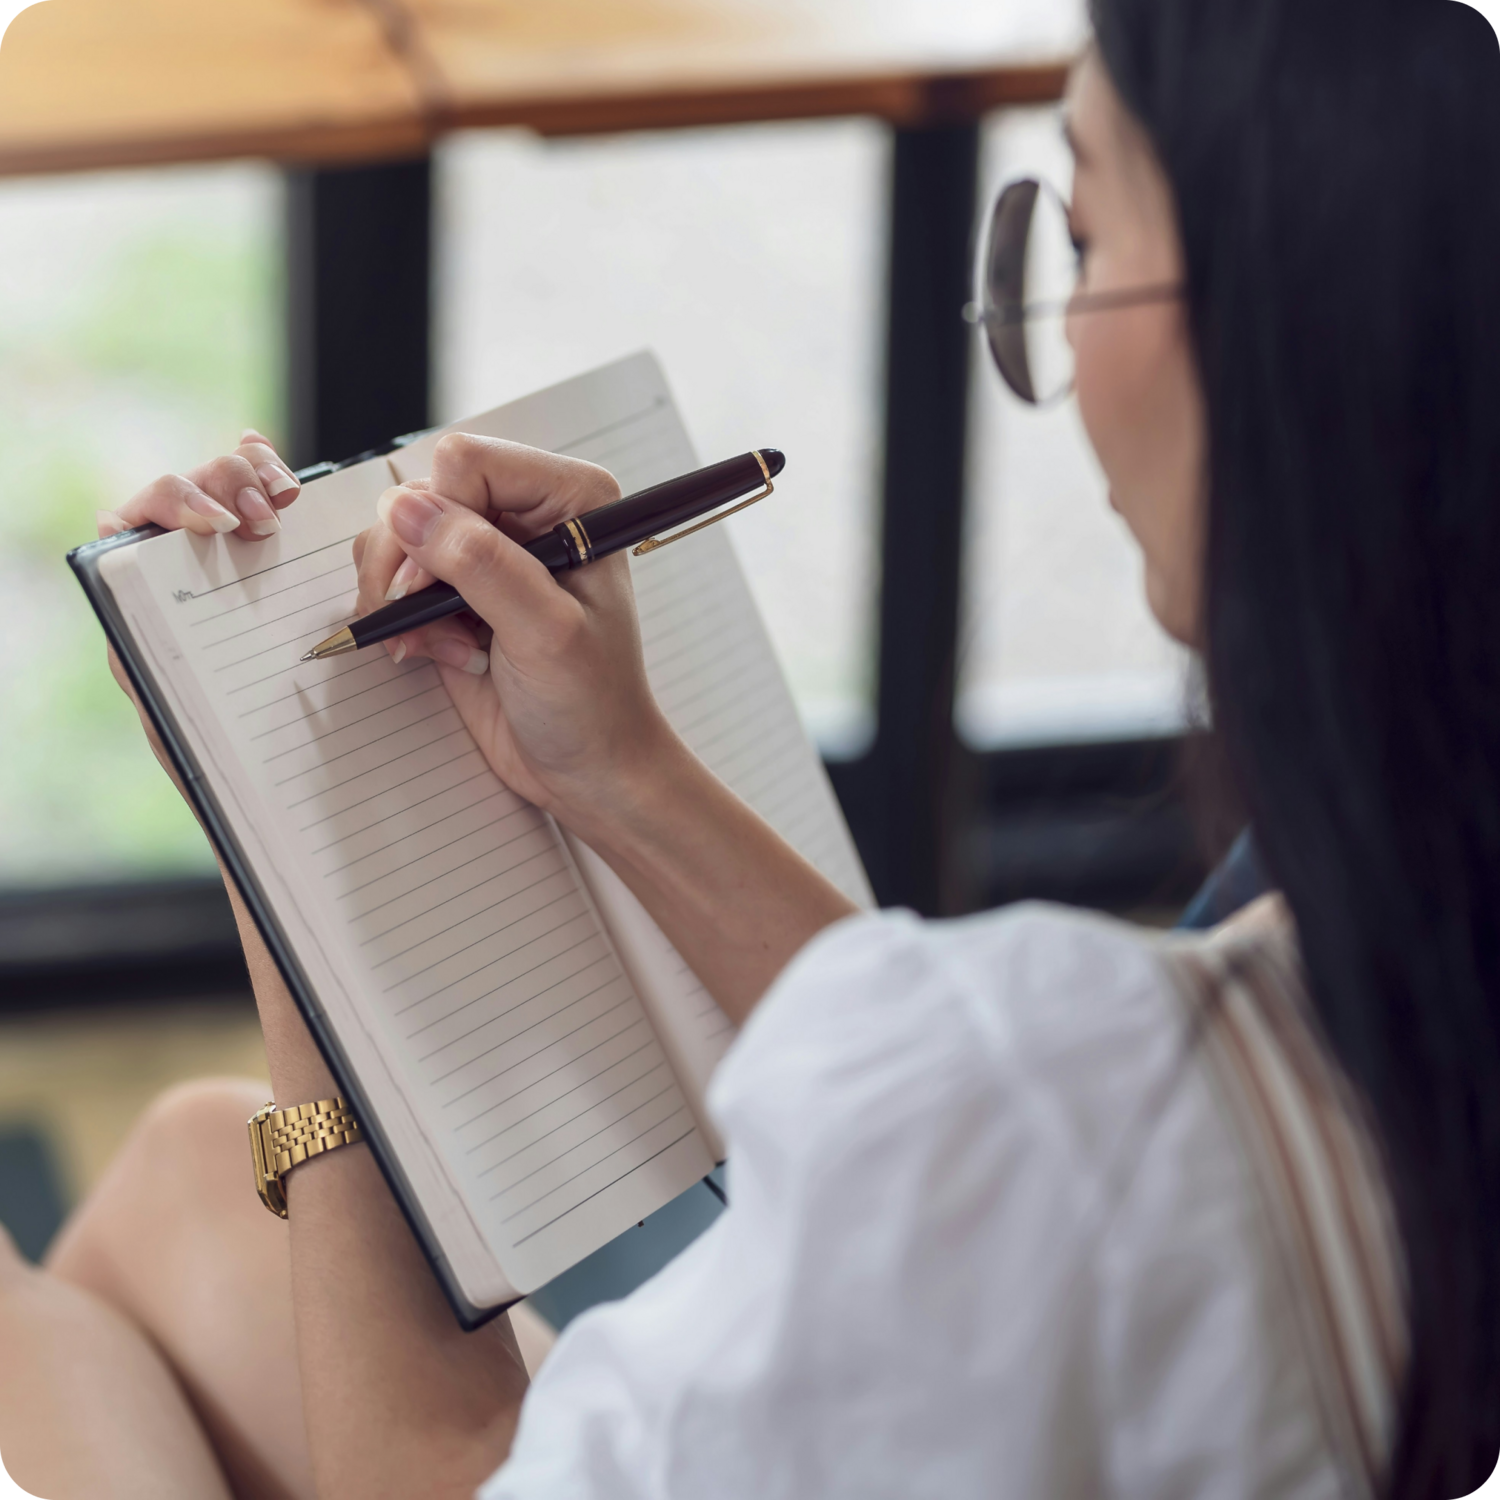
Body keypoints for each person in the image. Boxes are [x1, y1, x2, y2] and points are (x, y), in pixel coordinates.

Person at [3, 0, 1499, 1494]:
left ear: (1291, 326)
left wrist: (281, 858)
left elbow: (442, 1472)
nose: (1037, 342)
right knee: (199, 1163)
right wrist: (620, 769)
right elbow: (967, 1113)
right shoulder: (1371, 972)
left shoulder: (1109, 1120)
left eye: (1088, 241)